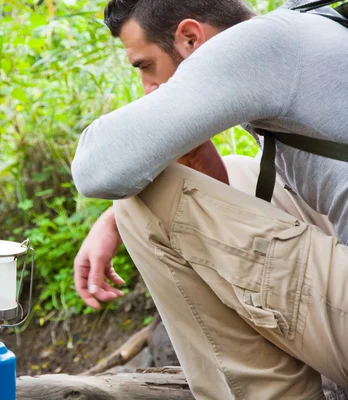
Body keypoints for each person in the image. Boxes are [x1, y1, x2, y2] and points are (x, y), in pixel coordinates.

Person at [71, 0, 348, 398]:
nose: (147, 87)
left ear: (189, 37)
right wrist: (109, 220)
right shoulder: (304, 22)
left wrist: (124, 208)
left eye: (145, 65)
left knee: (145, 197)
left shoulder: (258, 44)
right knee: (235, 170)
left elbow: (96, 168)